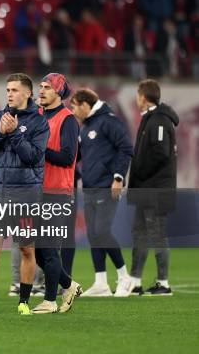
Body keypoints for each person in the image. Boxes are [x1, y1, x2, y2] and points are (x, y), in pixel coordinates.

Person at [0, 73, 49, 316]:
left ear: (27, 93)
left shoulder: (39, 122)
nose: (10, 94)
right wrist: (0, 133)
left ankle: (24, 301)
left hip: (26, 194)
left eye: (15, 90)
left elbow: (34, 157)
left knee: (26, 249)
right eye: (7, 90)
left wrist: (14, 133)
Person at [71, 88, 134, 297]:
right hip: (89, 187)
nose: (72, 111)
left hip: (107, 186)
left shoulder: (109, 121)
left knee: (102, 231)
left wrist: (118, 177)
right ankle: (101, 283)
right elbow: (76, 156)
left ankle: (125, 277)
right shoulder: (85, 127)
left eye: (74, 106)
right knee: (93, 234)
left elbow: (126, 148)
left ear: (85, 104)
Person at [31, 73, 82, 314]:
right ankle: (69, 285)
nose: (41, 91)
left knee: (49, 249)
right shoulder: (37, 115)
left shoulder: (68, 119)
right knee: (39, 253)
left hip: (57, 193)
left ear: (59, 92)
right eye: (40, 86)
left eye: (47, 87)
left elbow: (67, 156)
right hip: (36, 191)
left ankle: (50, 301)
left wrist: (39, 150)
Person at [128, 79, 178, 296]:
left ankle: (163, 283)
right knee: (139, 233)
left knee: (157, 234)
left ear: (144, 97)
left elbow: (160, 154)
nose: (137, 99)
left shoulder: (158, 120)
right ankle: (135, 281)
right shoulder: (151, 119)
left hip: (155, 189)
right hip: (146, 188)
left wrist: (139, 172)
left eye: (138, 95)